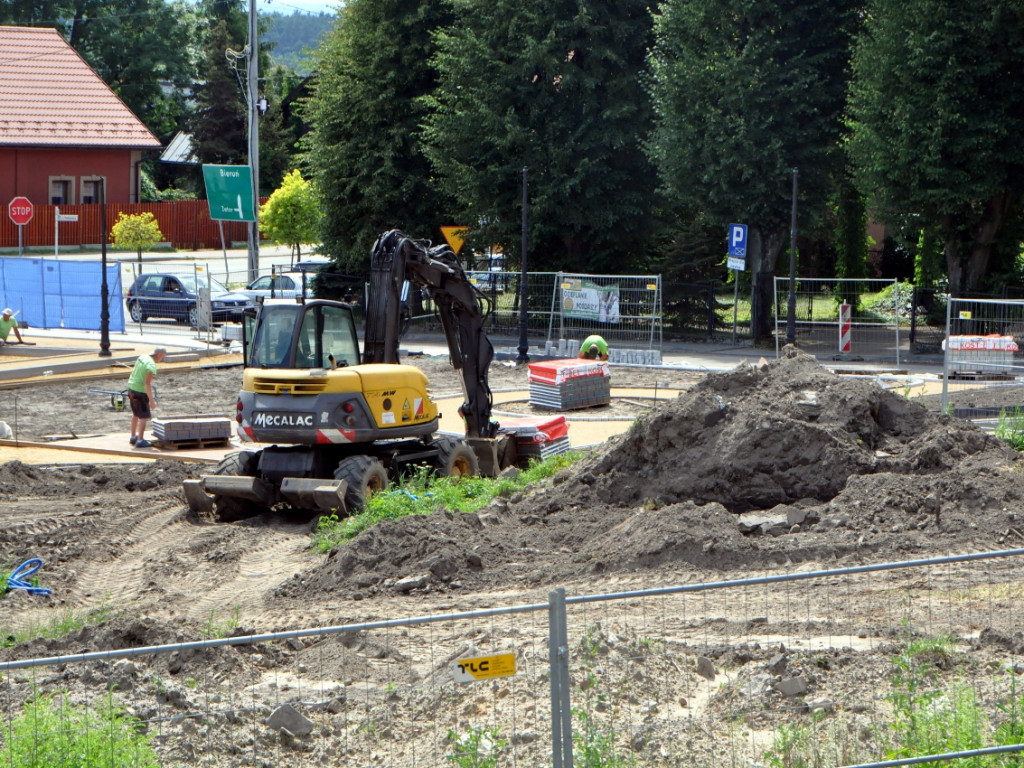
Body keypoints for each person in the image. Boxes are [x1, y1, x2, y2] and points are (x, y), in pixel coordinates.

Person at [127, 347, 166, 448]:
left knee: (135, 413)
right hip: (140, 392)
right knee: (143, 416)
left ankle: (133, 437)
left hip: (131, 387)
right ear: (158, 355)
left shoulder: (142, 357)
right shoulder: (151, 365)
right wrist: (152, 400)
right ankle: (140, 440)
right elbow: (147, 384)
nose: (162, 359)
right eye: (162, 357)